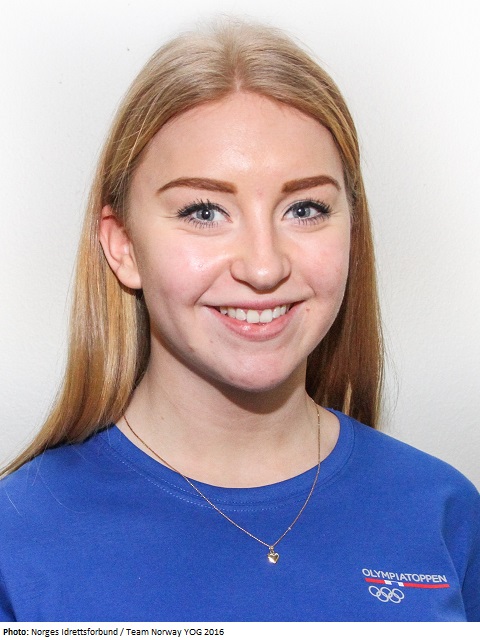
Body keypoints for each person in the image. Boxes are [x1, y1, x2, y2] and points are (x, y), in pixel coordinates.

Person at [0, 18, 478, 623]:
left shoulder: (444, 511)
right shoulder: (17, 540)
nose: (264, 265)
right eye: (204, 211)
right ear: (122, 245)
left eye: (305, 208)